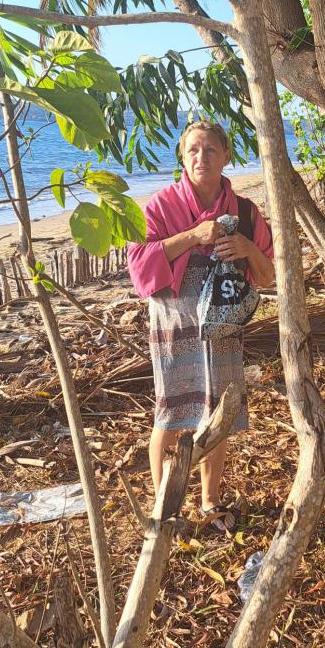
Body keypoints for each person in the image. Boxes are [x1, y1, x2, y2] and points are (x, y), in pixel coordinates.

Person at [127, 121, 275, 531]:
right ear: (181, 157)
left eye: (210, 149)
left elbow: (266, 274)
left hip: (223, 327)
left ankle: (209, 502)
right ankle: (164, 509)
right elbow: (139, 266)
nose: (201, 157)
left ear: (227, 156)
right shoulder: (160, 207)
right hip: (174, 325)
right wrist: (194, 235)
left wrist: (245, 247)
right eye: (192, 150)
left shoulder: (244, 212)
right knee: (171, 414)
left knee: (217, 414)